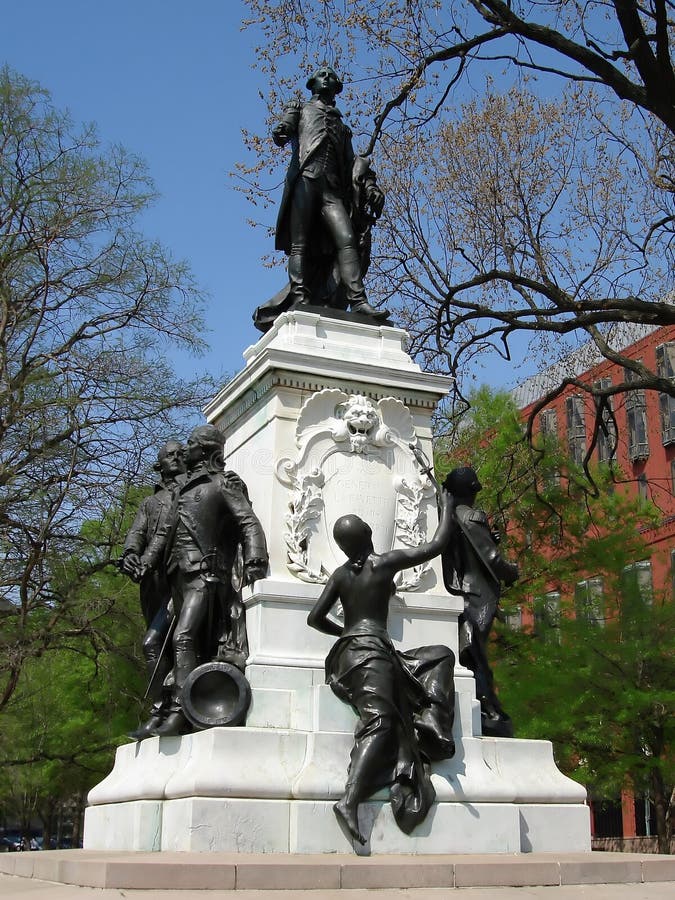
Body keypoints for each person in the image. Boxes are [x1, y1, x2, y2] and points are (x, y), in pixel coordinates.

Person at [307, 489, 455, 845]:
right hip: (370, 653)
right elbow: (434, 546)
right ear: (369, 535)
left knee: (439, 655)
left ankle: (430, 724)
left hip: (352, 652)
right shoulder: (382, 563)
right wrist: (447, 505)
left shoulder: (341, 575)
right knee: (381, 721)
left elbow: (315, 618)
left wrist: (345, 633)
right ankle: (350, 799)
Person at [141, 425, 268, 737]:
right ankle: (166, 705)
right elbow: (162, 535)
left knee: (183, 638)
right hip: (177, 580)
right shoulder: (182, 490)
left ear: (208, 451)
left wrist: (256, 557)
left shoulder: (222, 484)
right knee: (156, 643)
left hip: (205, 576)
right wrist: (145, 562)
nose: (186, 449)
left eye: (192, 444)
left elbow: (248, 521)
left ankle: (181, 712)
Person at [253, 66, 389, 331]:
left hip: (332, 190)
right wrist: (282, 129)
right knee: (300, 244)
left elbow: (353, 164)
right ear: (312, 83)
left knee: (347, 240)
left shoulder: (341, 126)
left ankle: (358, 301)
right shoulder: (301, 109)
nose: (326, 77)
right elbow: (284, 131)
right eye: (321, 74)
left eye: (331, 75)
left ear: (337, 85)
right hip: (306, 181)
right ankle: (301, 298)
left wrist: (370, 187)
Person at [441, 467, 519, 738]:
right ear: (472, 492)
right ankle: (490, 712)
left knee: (472, 655)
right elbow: (493, 560)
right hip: (476, 597)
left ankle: (488, 710)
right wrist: (512, 571)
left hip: (459, 593)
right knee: (476, 657)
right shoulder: (472, 517)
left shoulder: (446, 517)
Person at [120, 440, 186, 740]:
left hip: (179, 580)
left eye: (179, 453)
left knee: (155, 644)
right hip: (153, 585)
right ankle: (166, 709)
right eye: (170, 455)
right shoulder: (150, 502)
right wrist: (130, 554)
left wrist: (147, 558)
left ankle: (164, 709)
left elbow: (165, 533)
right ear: (160, 465)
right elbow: (138, 531)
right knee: (160, 647)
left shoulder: (190, 490)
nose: (177, 457)